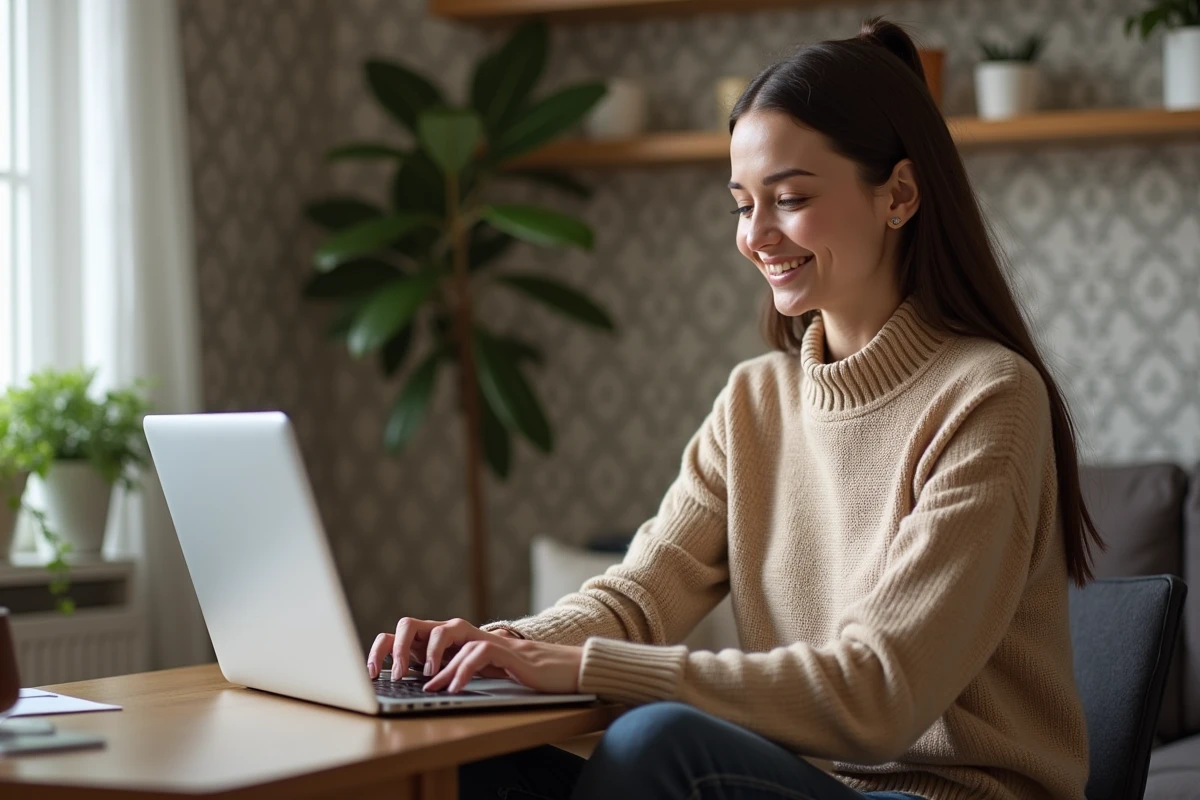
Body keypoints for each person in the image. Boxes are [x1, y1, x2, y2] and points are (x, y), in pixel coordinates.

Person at [367, 16, 1102, 800]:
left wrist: (583, 668)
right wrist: (497, 651)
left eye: (789, 198)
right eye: (742, 205)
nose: (757, 235)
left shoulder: (988, 397)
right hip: (811, 786)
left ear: (899, 194)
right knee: (458, 745)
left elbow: (881, 695)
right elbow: (641, 595)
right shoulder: (755, 400)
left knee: (659, 745)